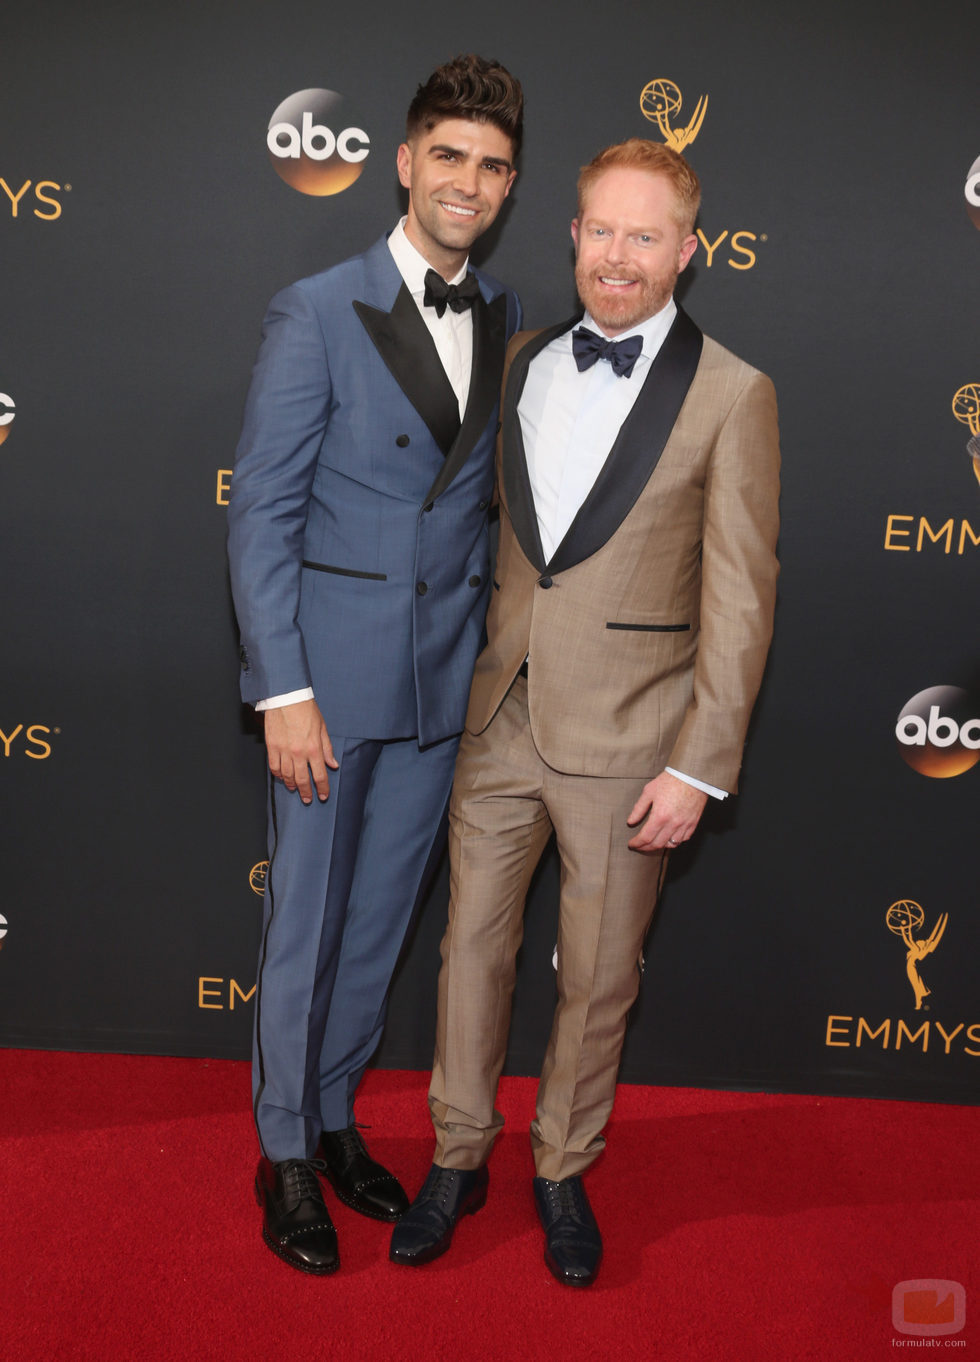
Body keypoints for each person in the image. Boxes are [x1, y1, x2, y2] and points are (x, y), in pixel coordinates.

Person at [390, 138, 780, 1286]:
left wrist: (698, 765)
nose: (618, 256)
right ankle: (457, 1154)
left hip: (630, 741)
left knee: (597, 977)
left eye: (644, 236)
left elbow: (741, 597)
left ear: (686, 252)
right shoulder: (517, 362)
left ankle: (561, 1166)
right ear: (570, 235)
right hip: (497, 717)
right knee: (468, 952)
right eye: (600, 230)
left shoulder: (733, 394)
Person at [226, 54, 523, 1276]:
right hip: (329, 687)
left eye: (492, 165)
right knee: (304, 919)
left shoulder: (502, 316)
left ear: (509, 187)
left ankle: (338, 1117)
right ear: (402, 163)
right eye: (447, 156)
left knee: (377, 924)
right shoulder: (317, 307)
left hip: (439, 690)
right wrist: (282, 692)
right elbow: (261, 515)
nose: (468, 182)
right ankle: (282, 1148)